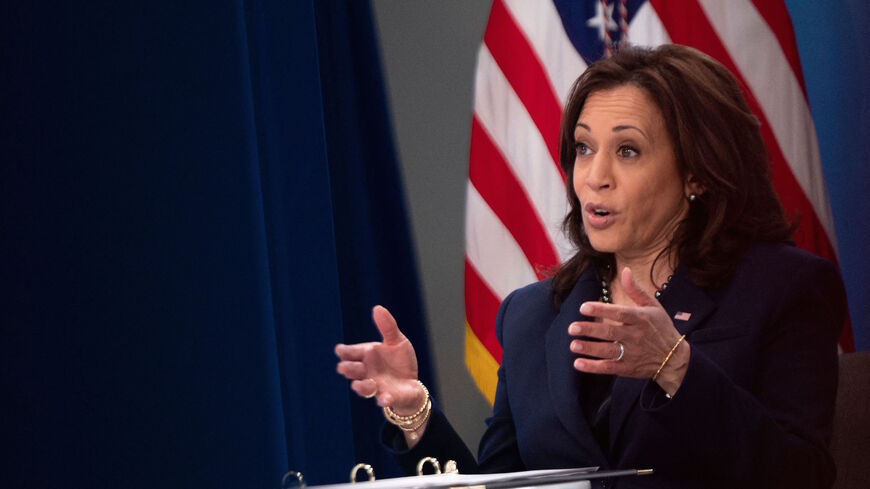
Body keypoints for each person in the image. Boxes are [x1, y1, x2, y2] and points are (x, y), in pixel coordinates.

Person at [334, 44, 847, 489]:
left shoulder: (781, 289)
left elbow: (801, 476)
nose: (594, 178)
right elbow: (502, 484)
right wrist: (415, 414)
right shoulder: (532, 314)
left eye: (627, 150)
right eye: (583, 148)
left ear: (697, 173)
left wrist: (676, 369)